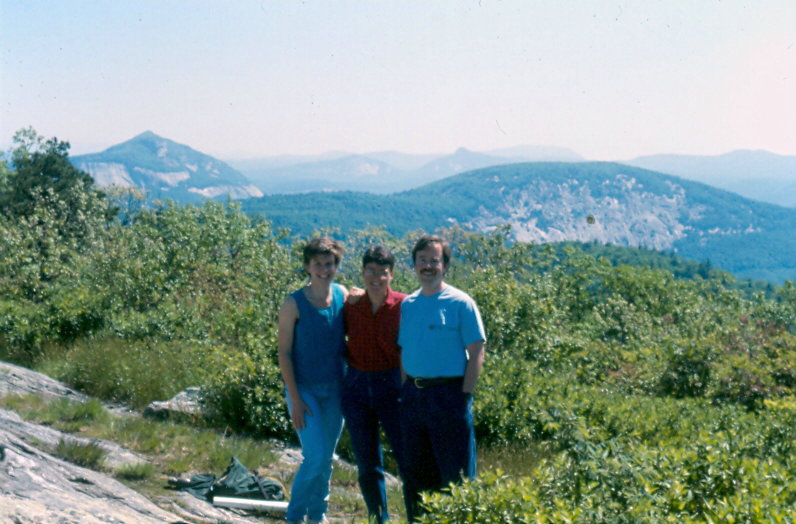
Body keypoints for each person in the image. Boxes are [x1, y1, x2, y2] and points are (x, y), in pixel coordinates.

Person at [398, 234, 486, 522]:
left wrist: (463, 396)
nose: (428, 266)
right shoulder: (409, 305)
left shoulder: (461, 303)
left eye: (434, 261)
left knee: (455, 476)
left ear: (445, 266)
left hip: (449, 396)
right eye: (422, 260)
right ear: (414, 265)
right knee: (416, 475)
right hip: (413, 396)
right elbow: (404, 350)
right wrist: (406, 388)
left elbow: (477, 351)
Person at [277, 237, 348, 524]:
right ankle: (294, 518)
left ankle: (318, 516)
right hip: (304, 391)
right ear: (307, 266)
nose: (324, 269)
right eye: (317, 264)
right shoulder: (293, 304)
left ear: (336, 266)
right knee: (315, 456)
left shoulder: (342, 295)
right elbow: (284, 353)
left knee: (327, 459)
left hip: (336, 391)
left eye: (329, 264)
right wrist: (294, 399)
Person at [342, 245, 408, 523]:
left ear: (391, 274)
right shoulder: (351, 305)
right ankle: (379, 518)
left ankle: (417, 516)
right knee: (367, 462)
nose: (376, 277)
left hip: (392, 384)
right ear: (362, 272)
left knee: (406, 457)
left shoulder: (403, 305)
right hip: (356, 385)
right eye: (370, 271)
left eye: (383, 272)